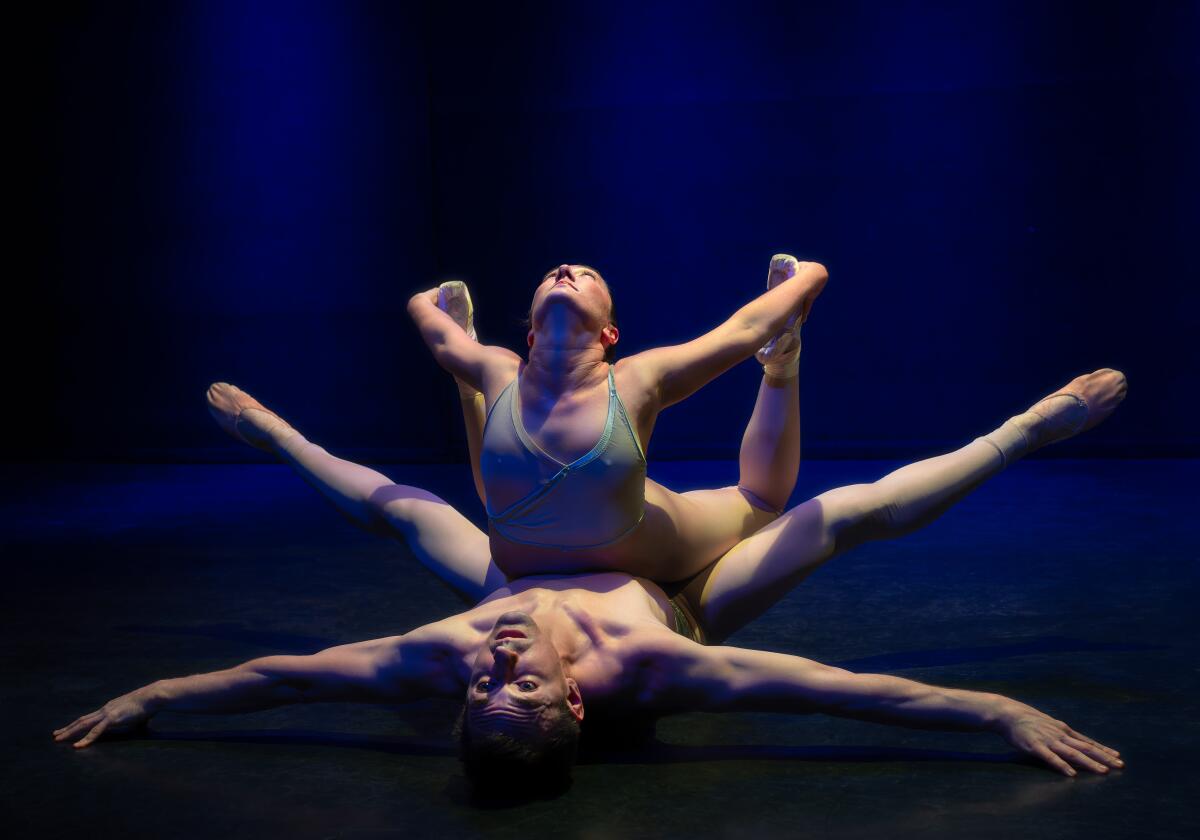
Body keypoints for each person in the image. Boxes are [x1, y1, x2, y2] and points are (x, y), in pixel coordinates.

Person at [56, 369, 1128, 790]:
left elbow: (283, 679)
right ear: (573, 698)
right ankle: (1030, 425)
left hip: (520, 564)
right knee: (840, 515)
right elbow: (846, 692)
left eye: (480, 690)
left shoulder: (459, 649)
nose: (495, 668)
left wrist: (155, 697)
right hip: (683, 588)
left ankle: (274, 430)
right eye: (516, 688)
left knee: (406, 511)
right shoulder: (658, 665)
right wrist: (991, 709)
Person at [404, 257, 827, 582]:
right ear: (530, 333)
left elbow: (743, 329)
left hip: (640, 539)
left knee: (761, 503)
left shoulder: (637, 378)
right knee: (505, 472)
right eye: (552, 274)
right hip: (536, 512)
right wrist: (417, 302)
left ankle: (782, 357)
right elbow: (441, 338)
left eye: (585, 275)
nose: (565, 270)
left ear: (609, 334)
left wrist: (811, 277)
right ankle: (467, 387)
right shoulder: (498, 369)